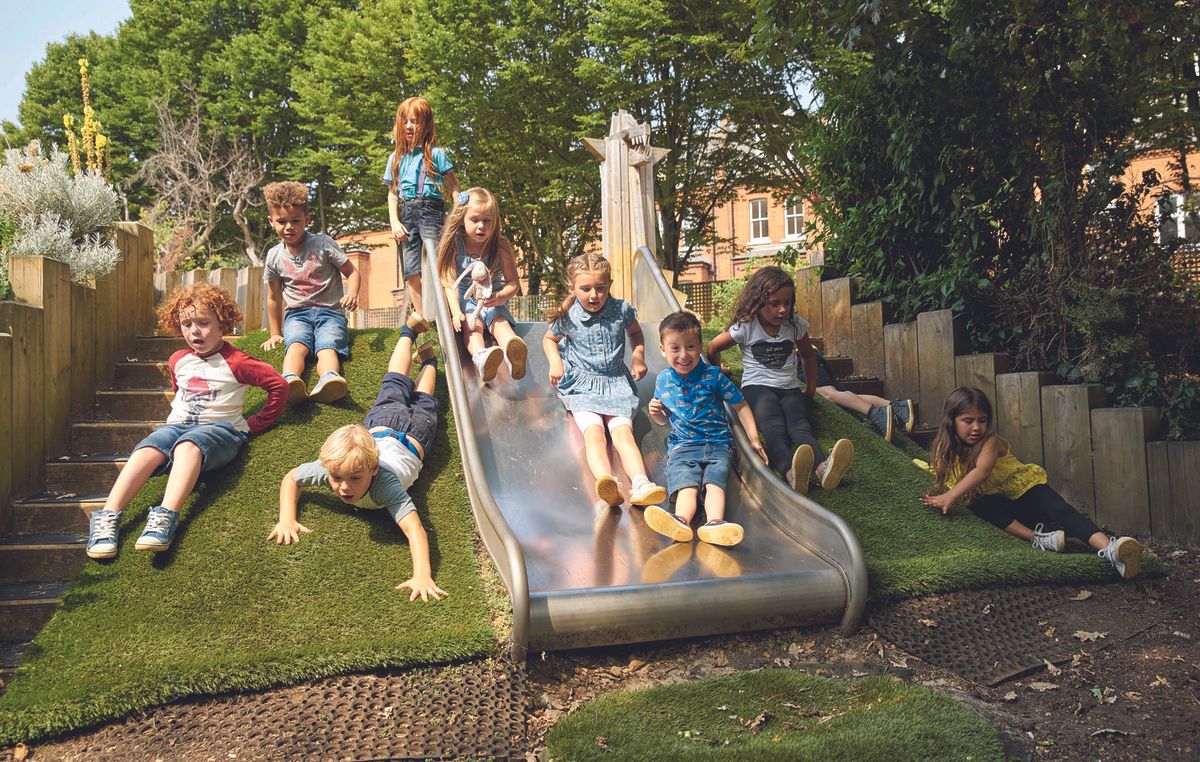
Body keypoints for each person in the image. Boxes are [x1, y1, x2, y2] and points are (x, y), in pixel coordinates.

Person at [86, 283, 287, 558]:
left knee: (188, 445)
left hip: (220, 430)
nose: (194, 331)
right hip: (176, 426)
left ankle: (164, 518)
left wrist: (255, 424)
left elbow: (279, 386)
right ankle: (107, 519)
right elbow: (179, 391)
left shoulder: (238, 362)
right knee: (146, 449)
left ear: (222, 324)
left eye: (203, 323)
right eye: (186, 324)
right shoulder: (178, 359)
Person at [267, 318, 448, 601]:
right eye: (336, 478)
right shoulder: (333, 469)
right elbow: (292, 478)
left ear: (373, 469)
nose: (342, 487)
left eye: (354, 479)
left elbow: (414, 529)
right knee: (396, 383)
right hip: (380, 424)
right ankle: (417, 343)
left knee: (421, 397)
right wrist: (287, 519)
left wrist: (422, 575)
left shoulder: (385, 485)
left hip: (414, 436)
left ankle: (426, 356)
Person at [919, 386, 1144, 578]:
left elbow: (982, 471)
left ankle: (1112, 549)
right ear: (952, 421)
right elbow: (942, 472)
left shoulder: (990, 441)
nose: (976, 427)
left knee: (1060, 510)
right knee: (976, 502)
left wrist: (951, 496)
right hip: (1007, 511)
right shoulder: (944, 447)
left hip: (1025, 492)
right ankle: (1039, 538)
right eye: (968, 421)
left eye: (982, 420)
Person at [706, 266, 853, 495]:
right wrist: (718, 374)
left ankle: (823, 469)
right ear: (758, 301)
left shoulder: (794, 324)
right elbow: (713, 347)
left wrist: (811, 388)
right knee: (774, 428)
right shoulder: (747, 326)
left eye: (787, 302)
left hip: (790, 388)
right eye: (775, 303)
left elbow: (807, 354)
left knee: (800, 427)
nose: (782, 309)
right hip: (757, 389)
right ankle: (790, 472)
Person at [543, 253, 666, 508]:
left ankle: (641, 484)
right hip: (582, 387)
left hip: (616, 384)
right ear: (572, 287)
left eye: (600, 288)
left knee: (623, 435)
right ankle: (606, 481)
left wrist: (638, 356)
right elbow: (549, 339)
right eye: (585, 288)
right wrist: (556, 362)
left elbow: (635, 333)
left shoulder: (621, 310)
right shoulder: (568, 316)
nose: (593, 295)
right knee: (594, 434)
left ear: (609, 284)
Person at [645, 311, 768, 548]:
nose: (683, 355)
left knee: (714, 483)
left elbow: (740, 405)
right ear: (662, 349)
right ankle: (680, 521)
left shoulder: (713, 376)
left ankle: (714, 524)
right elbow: (663, 421)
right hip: (682, 447)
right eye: (675, 348)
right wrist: (656, 414)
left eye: (690, 347)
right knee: (687, 486)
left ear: (700, 346)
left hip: (717, 445)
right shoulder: (663, 381)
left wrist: (753, 438)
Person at [260, 180, 361, 404]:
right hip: (297, 314)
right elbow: (274, 298)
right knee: (296, 344)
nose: (289, 227)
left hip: (331, 313)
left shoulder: (323, 244)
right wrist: (275, 333)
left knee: (327, 346)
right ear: (271, 221)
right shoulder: (274, 256)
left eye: (296, 221)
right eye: (281, 221)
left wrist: (352, 293)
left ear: (307, 219)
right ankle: (289, 380)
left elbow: (352, 272)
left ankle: (329, 379)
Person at [436, 187, 527, 383]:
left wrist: (501, 296)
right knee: (473, 326)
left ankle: (513, 350)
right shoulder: (455, 245)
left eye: (487, 221)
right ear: (461, 218)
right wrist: (455, 311)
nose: (481, 226)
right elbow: (449, 282)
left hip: (492, 300)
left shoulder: (500, 246)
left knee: (499, 322)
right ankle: (481, 357)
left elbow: (513, 283)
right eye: (475, 220)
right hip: (467, 303)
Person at [383, 96, 460, 316]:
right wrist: (394, 222)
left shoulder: (436, 154)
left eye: (415, 121)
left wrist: (458, 211)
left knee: (438, 266)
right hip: (407, 216)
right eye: (405, 121)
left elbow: (454, 185)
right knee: (411, 272)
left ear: (425, 124)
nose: (409, 126)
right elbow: (392, 195)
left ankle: (448, 314)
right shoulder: (395, 158)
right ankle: (423, 317)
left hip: (430, 211)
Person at [809, 351, 914, 443]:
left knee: (828, 394)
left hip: (801, 357)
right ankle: (897, 407)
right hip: (808, 356)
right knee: (845, 398)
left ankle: (877, 415)